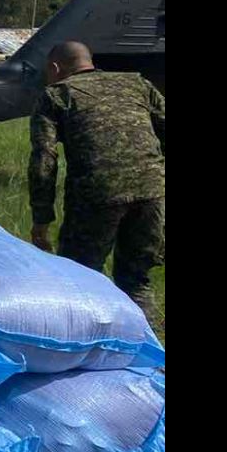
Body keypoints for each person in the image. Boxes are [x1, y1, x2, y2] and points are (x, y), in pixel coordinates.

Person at [28, 40, 166, 324]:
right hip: (152, 191)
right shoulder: (136, 84)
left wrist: (42, 219)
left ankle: (85, 349)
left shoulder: (57, 94)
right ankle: (149, 358)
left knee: (80, 276)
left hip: (97, 194)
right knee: (136, 279)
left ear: (55, 68)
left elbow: (44, 158)